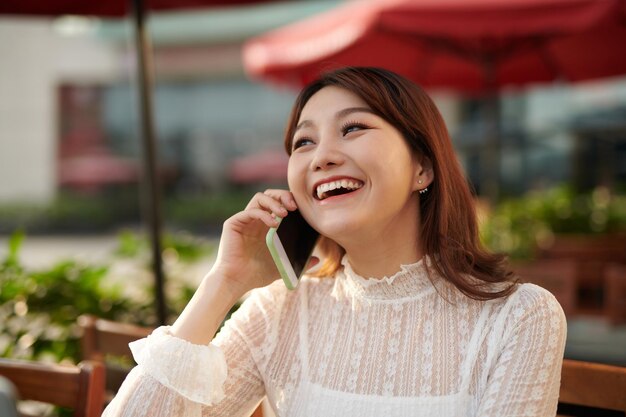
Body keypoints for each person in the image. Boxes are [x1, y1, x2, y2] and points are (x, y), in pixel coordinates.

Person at [103, 67, 566, 417]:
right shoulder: (279, 310)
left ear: (422, 168)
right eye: (303, 143)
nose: (322, 156)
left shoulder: (519, 317)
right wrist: (223, 283)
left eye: (354, 128)